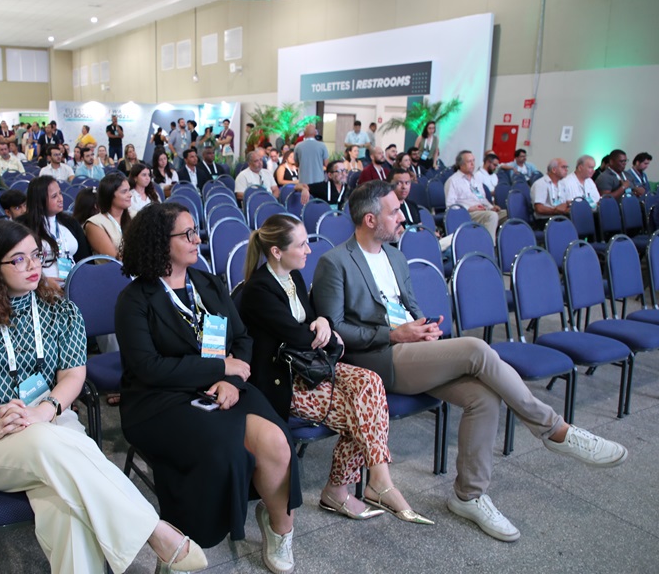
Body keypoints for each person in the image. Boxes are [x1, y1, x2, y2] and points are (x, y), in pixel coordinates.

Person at [312, 180, 628, 543]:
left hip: (415, 350)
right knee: (477, 350)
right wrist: (394, 334)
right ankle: (553, 429)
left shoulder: (395, 257)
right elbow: (335, 331)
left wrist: (424, 327)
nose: (402, 217)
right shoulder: (335, 262)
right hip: (378, 359)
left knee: (484, 397)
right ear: (370, 220)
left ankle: (469, 496)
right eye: (394, 211)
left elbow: (409, 307)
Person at [0, 220, 207, 574]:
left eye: (36, 255)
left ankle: (152, 534)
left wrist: (45, 410)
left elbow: (73, 376)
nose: (33, 266)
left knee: (67, 509)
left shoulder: (61, 310)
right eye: (18, 259)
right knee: (48, 446)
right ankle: (153, 530)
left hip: (53, 418)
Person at [115, 203, 301, 572]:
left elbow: (242, 339)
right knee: (222, 451)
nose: (197, 239)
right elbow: (148, 368)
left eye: (195, 230)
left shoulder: (208, 284)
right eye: (186, 234)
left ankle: (280, 527)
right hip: (160, 399)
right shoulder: (135, 300)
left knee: (278, 440)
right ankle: (180, 549)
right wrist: (219, 368)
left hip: (221, 387)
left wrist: (230, 379)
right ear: (159, 242)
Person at [240, 214, 431, 525]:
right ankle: (344, 489)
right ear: (276, 251)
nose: (309, 250)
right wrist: (326, 333)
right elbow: (299, 335)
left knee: (370, 383)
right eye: (301, 245)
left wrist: (323, 322)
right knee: (362, 412)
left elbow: (315, 320)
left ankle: (375, 480)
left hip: (311, 368)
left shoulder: (293, 276)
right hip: (284, 381)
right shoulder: (258, 290)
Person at [17, 176, 90, 283]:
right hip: (40, 286)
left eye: (60, 193)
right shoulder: (23, 226)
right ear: (40, 200)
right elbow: (19, 265)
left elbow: (84, 258)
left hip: (74, 283)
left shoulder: (70, 222)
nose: (60, 199)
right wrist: (43, 282)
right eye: (54, 196)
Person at [444, 151, 506, 241]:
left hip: (482, 210)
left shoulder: (476, 179)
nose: (473, 164)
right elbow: (450, 206)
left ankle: (503, 244)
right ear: (461, 165)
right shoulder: (453, 181)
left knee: (507, 214)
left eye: (473, 161)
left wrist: (491, 207)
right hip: (468, 213)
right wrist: (469, 208)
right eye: (469, 161)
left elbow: (482, 198)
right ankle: (489, 245)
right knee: (492, 216)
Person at [84, 172, 131, 259]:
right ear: (110, 195)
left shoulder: (134, 216)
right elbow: (114, 260)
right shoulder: (95, 223)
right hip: (114, 267)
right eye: (124, 192)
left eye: (129, 190)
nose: (130, 195)